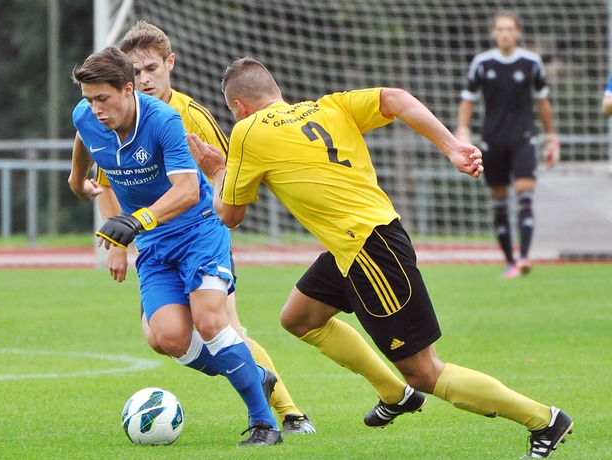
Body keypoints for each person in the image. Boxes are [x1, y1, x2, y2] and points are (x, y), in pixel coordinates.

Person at [186, 56, 574, 458]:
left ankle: (544, 420)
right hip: (354, 246)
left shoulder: (247, 130)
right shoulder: (330, 105)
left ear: (240, 107)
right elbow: (398, 98)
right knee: (299, 318)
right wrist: (453, 146)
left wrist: (217, 169)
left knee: (425, 371)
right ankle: (394, 394)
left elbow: (230, 216)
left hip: (370, 251)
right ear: (276, 92)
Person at [91, 20, 315, 435]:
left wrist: (220, 214)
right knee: (161, 338)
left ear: (169, 64)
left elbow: (228, 172)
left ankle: (289, 413)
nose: (143, 79)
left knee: (222, 328)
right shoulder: (118, 116)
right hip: (155, 241)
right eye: (135, 73)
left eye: (151, 69)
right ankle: (262, 386)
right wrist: (116, 242)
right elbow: (104, 178)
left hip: (203, 234)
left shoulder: (190, 116)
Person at [455, 10, 560, 279]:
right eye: (500, 29)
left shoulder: (531, 62)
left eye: (509, 29)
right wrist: (462, 131)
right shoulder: (482, 63)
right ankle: (511, 261)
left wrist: (552, 137)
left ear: (517, 32)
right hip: (492, 142)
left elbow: (542, 101)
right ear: (494, 33)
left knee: (525, 196)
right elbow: (468, 99)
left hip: (523, 139)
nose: (504, 33)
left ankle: (524, 257)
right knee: (499, 203)